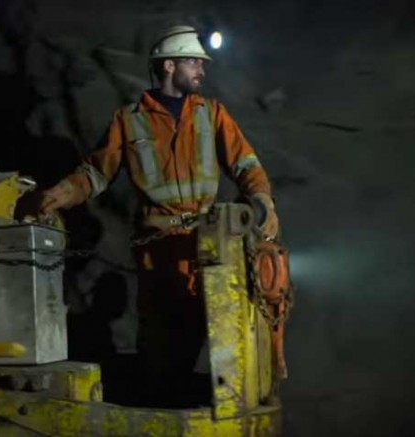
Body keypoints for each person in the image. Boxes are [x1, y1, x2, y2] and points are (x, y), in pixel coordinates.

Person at [38, 24, 281, 407]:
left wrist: (262, 197)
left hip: (209, 247)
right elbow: (97, 172)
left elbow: (245, 162)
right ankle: (161, 411)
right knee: (162, 346)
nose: (201, 70)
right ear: (169, 66)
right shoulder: (130, 121)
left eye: (202, 63)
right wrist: (66, 192)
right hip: (158, 252)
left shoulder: (212, 114)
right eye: (193, 62)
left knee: (227, 341)